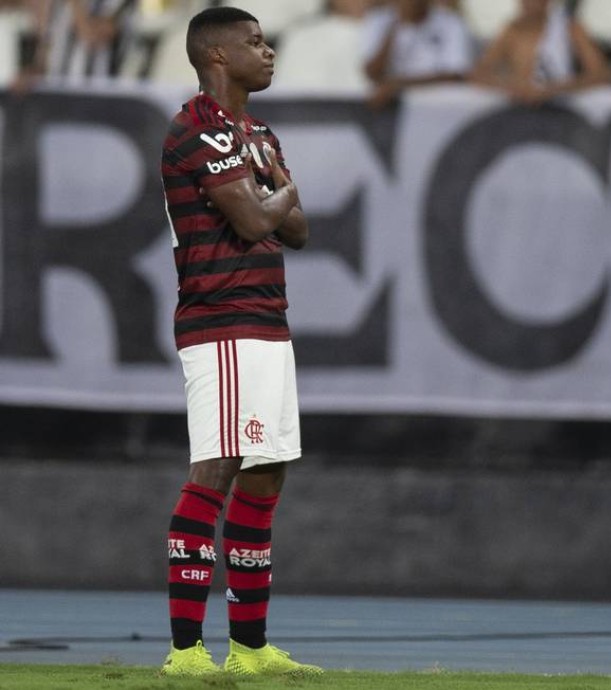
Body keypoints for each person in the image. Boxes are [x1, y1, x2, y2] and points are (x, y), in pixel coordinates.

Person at [157, 6, 320, 677]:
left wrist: (278, 201)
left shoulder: (258, 131)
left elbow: (299, 231)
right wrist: (280, 195)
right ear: (217, 56)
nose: (268, 50)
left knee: (265, 471)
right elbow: (261, 217)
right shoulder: (197, 126)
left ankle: (250, 650)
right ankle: (185, 649)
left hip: (266, 319)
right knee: (219, 468)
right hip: (220, 319)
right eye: (253, 42)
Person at [469, 0, 610, 105]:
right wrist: (511, 88)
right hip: (518, 112)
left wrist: (555, 90)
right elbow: (479, 74)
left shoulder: (569, 28)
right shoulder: (512, 31)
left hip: (560, 112)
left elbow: (601, 75)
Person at [362, 0, 475, 109]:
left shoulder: (452, 22)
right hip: (390, 108)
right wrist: (395, 27)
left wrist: (399, 86)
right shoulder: (379, 20)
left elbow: (455, 76)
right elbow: (372, 74)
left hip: (437, 106)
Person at [12, 0, 137, 94]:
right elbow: (47, 50)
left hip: (96, 101)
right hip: (58, 100)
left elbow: (91, 37)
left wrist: (75, 4)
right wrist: (31, 74)